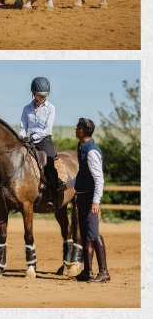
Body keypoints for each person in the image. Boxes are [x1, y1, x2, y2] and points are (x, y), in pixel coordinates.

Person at [62, 118, 110, 282]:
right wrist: (67, 185)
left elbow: (99, 179)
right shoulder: (82, 148)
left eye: (77, 128)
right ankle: (87, 272)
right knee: (85, 235)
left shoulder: (91, 152)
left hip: (90, 198)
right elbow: (82, 174)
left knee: (94, 234)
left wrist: (96, 202)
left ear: (82, 131)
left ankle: (104, 272)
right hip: (81, 196)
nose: (75, 129)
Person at [18, 76, 60, 209]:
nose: (43, 98)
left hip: (44, 140)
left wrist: (33, 137)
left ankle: (53, 197)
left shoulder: (51, 108)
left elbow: (48, 129)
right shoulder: (26, 109)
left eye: (45, 95)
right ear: (33, 93)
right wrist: (21, 137)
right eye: (40, 95)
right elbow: (23, 128)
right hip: (29, 141)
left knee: (49, 165)